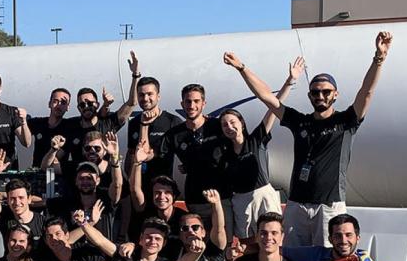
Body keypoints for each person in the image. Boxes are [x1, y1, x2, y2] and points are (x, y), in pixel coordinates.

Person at [249, 32, 393, 246]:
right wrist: (242, 67)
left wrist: (379, 58)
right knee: (293, 259)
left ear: (335, 94)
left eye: (326, 92)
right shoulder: (300, 122)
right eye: (315, 92)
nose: (321, 96)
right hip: (297, 204)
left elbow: (367, 92)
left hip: (329, 205)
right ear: (310, 96)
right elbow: (267, 98)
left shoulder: (346, 121)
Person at [221, 53, 304, 249]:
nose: (229, 127)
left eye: (232, 122)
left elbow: (274, 106)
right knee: (248, 244)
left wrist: (290, 81)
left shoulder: (256, 138)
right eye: (224, 125)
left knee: (271, 240)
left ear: (241, 123)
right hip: (240, 200)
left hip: (263, 195)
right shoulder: (224, 153)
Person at [161, 83, 229, 218]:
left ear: (204, 103)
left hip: (223, 197)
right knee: (197, 237)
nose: (191, 106)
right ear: (182, 104)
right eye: (188, 101)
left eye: (196, 101)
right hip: (196, 198)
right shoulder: (174, 135)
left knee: (223, 238)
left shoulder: (218, 126)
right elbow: (159, 159)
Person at [126, 59, 183, 187]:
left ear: (158, 96)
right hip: (139, 189)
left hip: (163, 189)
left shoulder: (172, 121)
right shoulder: (134, 122)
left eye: (149, 94)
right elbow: (131, 153)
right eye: (141, 95)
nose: (145, 99)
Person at [62, 82, 135, 168]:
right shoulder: (71, 126)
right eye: (82, 105)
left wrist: (136, 75)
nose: (86, 107)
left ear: (97, 105)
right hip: (81, 178)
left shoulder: (108, 123)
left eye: (90, 103)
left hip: (105, 177)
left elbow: (131, 103)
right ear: (78, 108)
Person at [0, 150, 48, 248]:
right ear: (8, 200)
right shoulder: (4, 217)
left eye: (21, 198)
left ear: (29, 199)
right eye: (12, 198)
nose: (17, 202)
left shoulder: (42, 221)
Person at [26, 88, 72, 168]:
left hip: (56, 173)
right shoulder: (38, 123)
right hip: (36, 173)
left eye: (63, 103)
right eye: (55, 101)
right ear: (49, 104)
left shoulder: (70, 127)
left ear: (68, 107)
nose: (59, 105)